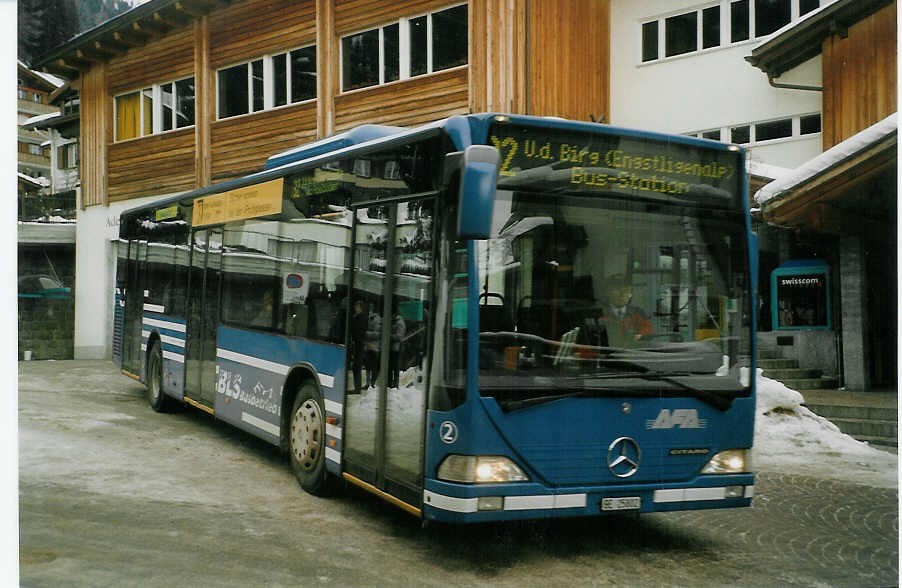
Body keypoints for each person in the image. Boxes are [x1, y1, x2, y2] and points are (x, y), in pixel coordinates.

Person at [599, 274, 652, 346]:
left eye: (626, 290)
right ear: (608, 292)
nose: (622, 294)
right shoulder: (599, 313)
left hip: (632, 353)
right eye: (617, 289)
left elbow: (648, 331)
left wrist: (640, 335)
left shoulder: (638, 312)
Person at [349, 300, 368, 394]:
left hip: (359, 344)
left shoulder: (361, 318)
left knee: (357, 366)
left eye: (357, 307)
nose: (355, 308)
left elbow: (359, 331)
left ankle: (357, 388)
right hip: (357, 343)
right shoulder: (357, 317)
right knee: (356, 366)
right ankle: (357, 387)